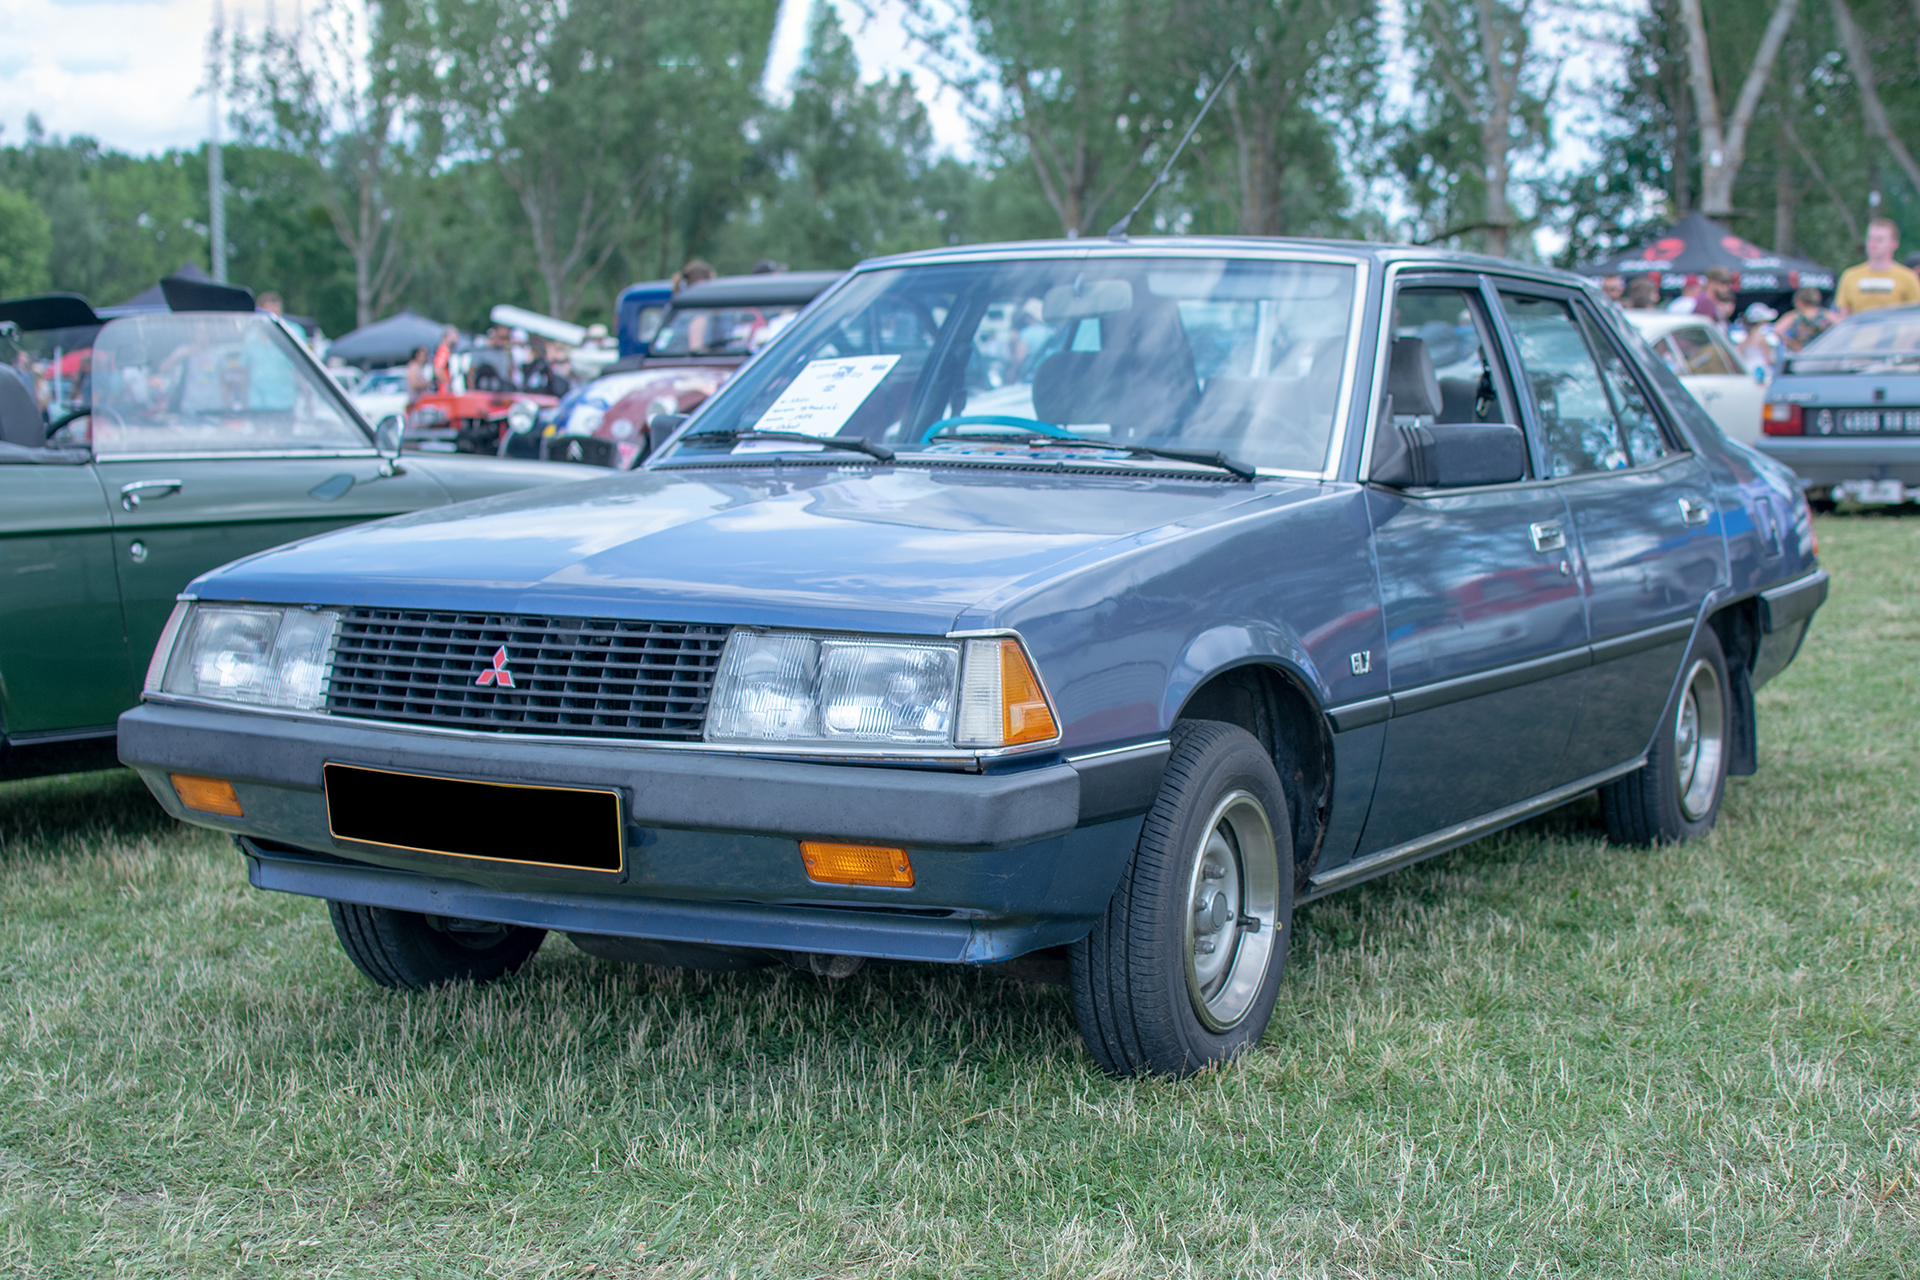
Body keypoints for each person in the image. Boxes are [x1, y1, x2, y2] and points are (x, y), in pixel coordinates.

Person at [1834, 217, 1920, 316]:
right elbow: (1843, 318)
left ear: (1894, 244)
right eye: (1870, 238)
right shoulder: (1849, 276)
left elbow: (1915, 317)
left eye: (1880, 239)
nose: (1873, 244)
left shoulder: (1908, 277)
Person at [1773, 286, 1837, 354]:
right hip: (1823, 355)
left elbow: (1777, 330)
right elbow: (1843, 326)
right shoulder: (1826, 314)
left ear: (1800, 301)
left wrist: (1792, 345)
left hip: (1801, 355)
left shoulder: (1795, 316)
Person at [1736, 302, 1778, 380]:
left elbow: (1737, 354)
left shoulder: (1745, 338)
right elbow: (1768, 360)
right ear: (1761, 321)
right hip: (1763, 373)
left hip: (1747, 371)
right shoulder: (1762, 338)